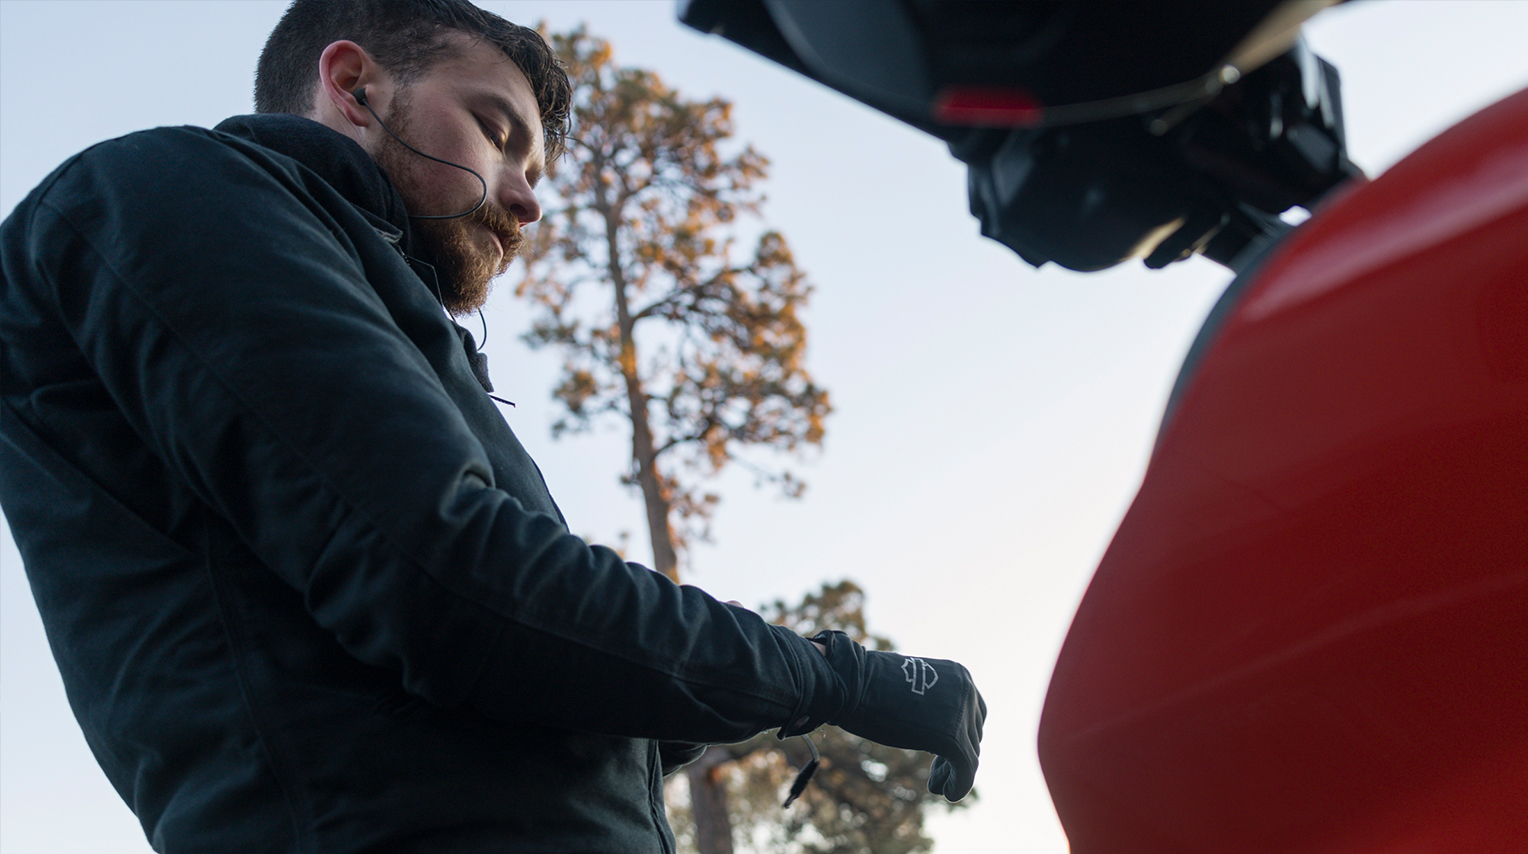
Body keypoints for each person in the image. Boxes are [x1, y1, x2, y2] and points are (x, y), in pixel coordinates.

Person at [0, 1, 984, 851]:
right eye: (495, 128)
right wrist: (836, 674)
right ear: (353, 84)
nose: (528, 198)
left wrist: (741, 701)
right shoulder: (174, 190)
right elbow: (448, 579)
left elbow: (498, 656)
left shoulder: (380, 310)